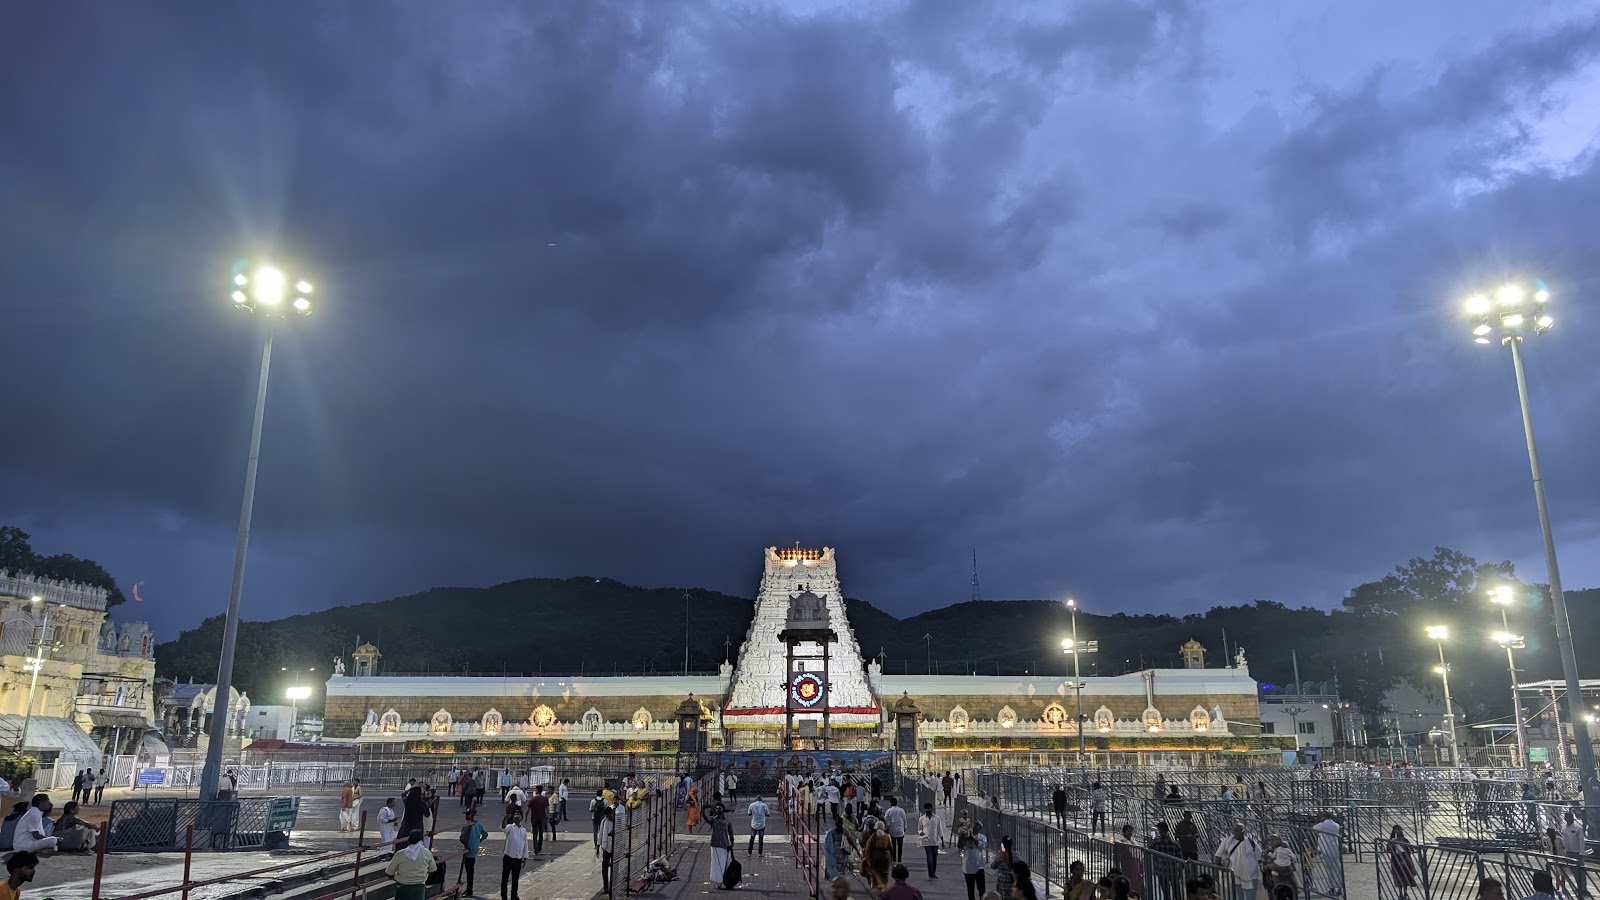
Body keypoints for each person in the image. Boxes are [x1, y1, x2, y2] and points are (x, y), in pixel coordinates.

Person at [1214, 823, 1262, 900]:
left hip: (1251, 875)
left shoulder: (1251, 842)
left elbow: (1259, 857)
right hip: (1234, 876)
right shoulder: (1227, 842)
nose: (1237, 833)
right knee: (1238, 897)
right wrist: (1216, 872)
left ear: (1244, 831)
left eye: (1240, 830)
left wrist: (1263, 873)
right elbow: (1217, 856)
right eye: (1235, 831)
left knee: (1251, 897)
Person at [384, 829, 436, 900]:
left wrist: (399, 878)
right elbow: (432, 870)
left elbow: (389, 873)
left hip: (402, 888)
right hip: (419, 888)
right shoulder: (427, 853)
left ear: (409, 840)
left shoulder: (400, 854)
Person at [456, 809, 487, 896]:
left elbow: (462, 838)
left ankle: (469, 890)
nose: (466, 816)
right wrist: (478, 842)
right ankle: (469, 889)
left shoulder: (467, 826)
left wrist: (466, 845)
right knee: (470, 871)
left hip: (468, 851)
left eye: (468, 814)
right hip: (474, 850)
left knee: (469, 871)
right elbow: (485, 834)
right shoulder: (478, 825)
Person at [1312, 812, 1342, 898]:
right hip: (1334, 848)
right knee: (1336, 868)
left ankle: (1331, 889)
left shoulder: (1322, 825)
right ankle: (1339, 887)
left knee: (1329, 870)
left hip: (1325, 849)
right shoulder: (1336, 825)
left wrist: (1317, 821)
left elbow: (1314, 828)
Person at [501, 812, 528, 900]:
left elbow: (525, 844)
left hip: (518, 857)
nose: (516, 816)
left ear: (521, 818)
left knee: (515, 878)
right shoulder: (510, 827)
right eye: (515, 814)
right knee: (505, 877)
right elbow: (503, 829)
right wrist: (504, 820)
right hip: (509, 856)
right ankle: (504, 895)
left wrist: (525, 856)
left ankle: (514, 895)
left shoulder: (523, 830)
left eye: (518, 815)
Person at [959, 821, 988, 900]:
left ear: (980, 829)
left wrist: (973, 838)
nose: (975, 826)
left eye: (977, 825)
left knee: (981, 889)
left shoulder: (982, 837)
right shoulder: (966, 836)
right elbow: (960, 845)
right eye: (974, 824)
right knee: (970, 889)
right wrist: (962, 837)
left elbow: (982, 846)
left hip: (979, 866)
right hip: (968, 867)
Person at [863, 821, 895, 892]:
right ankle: (884, 886)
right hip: (885, 856)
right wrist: (892, 858)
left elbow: (868, 847)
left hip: (876, 856)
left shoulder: (873, 836)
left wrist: (867, 857)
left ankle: (879, 886)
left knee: (876, 871)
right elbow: (890, 847)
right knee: (885, 872)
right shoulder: (887, 836)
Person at [1388, 825, 1418, 899]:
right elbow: (1388, 849)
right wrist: (1392, 842)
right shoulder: (1391, 840)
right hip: (1396, 861)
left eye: (1399, 830)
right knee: (1398, 877)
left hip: (1405, 861)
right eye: (1397, 830)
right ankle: (1401, 893)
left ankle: (1405, 894)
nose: (1398, 832)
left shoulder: (1404, 840)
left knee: (1405, 877)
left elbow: (1411, 850)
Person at [919, 802, 946, 878]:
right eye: (926, 809)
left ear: (932, 809)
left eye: (929, 809)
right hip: (926, 841)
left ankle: (933, 872)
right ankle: (930, 873)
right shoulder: (922, 819)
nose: (927, 810)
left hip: (935, 842)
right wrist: (921, 833)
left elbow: (940, 830)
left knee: (934, 858)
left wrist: (942, 841)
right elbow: (919, 829)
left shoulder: (937, 818)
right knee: (929, 858)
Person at [709, 808, 735, 888]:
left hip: (722, 845)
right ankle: (720, 881)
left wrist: (732, 843)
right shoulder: (715, 821)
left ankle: (722, 880)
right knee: (719, 864)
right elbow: (707, 819)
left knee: (722, 864)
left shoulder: (725, 822)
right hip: (718, 845)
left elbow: (731, 833)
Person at [990, 835, 1014, 900]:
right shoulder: (1017, 856)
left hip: (1002, 882)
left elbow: (993, 866)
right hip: (1012, 881)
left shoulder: (1000, 856)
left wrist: (1001, 851)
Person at [527, 787, 550, 856]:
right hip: (542, 818)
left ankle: (535, 848)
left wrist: (525, 817)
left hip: (534, 818)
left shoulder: (533, 799)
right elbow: (547, 809)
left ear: (536, 790)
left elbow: (528, 809)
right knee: (540, 833)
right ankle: (539, 848)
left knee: (535, 834)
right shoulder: (545, 799)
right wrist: (547, 817)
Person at [885, 796, 908, 862]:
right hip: (900, 830)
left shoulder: (889, 811)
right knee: (900, 846)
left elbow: (886, 820)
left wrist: (887, 829)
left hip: (892, 830)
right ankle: (899, 860)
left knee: (893, 846)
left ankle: (894, 859)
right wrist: (904, 828)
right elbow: (904, 820)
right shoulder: (901, 810)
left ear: (891, 803)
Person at [599, 808, 616, 895]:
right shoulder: (604, 822)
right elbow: (601, 833)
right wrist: (598, 846)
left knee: (615, 868)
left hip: (615, 848)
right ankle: (606, 887)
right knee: (604, 868)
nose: (609, 817)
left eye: (609, 815)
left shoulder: (618, 822)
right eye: (607, 816)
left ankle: (614, 886)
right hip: (606, 847)